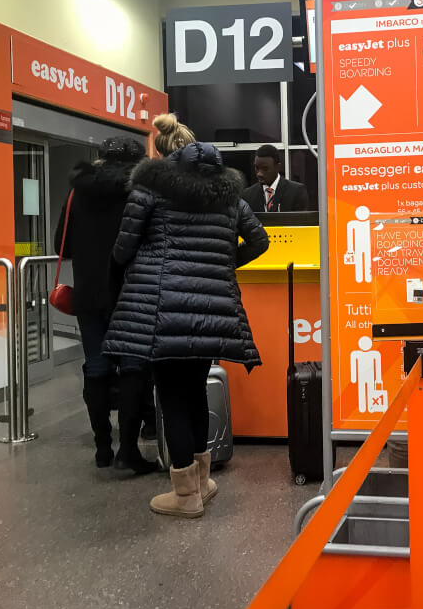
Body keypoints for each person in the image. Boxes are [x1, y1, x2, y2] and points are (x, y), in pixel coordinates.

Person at [102, 140, 268, 518]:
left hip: (163, 307)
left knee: (172, 397)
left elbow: (122, 249)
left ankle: (184, 494)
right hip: (212, 308)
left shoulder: (151, 192)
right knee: (193, 393)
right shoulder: (231, 200)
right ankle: (203, 482)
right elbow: (260, 240)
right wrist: (223, 265)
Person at [53, 135, 155, 472]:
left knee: (96, 366)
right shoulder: (139, 193)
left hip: (88, 295)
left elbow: (62, 247)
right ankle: (129, 449)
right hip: (131, 294)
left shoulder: (76, 193)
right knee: (133, 367)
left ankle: (102, 447)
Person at [243, 144, 308, 213]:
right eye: (257, 168)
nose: (259, 173)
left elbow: (300, 222)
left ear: (277, 167)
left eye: (265, 169)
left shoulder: (296, 191)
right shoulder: (247, 195)